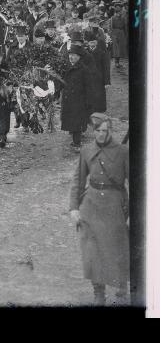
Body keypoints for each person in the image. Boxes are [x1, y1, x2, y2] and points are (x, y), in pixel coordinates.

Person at [69, 113, 129, 306]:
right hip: (92, 204)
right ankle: (98, 292)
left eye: (106, 130)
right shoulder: (86, 151)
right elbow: (77, 182)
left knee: (115, 247)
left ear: (110, 131)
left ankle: (122, 281)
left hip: (114, 203)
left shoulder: (122, 152)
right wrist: (73, 208)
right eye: (98, 131)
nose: (102, 134)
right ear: (93, 131)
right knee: (92, 250)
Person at [61, 46, 93, 150]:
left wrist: (88, 101)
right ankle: (75, 141)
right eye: (70, 55)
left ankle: (77, 143)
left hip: (79, 100)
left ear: (79, 57)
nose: (71, 57)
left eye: (74, 55)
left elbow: (89, 87)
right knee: (72, 121)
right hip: (68, 99)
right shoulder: (66, 67)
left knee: (77, 122)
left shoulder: (84, 69)